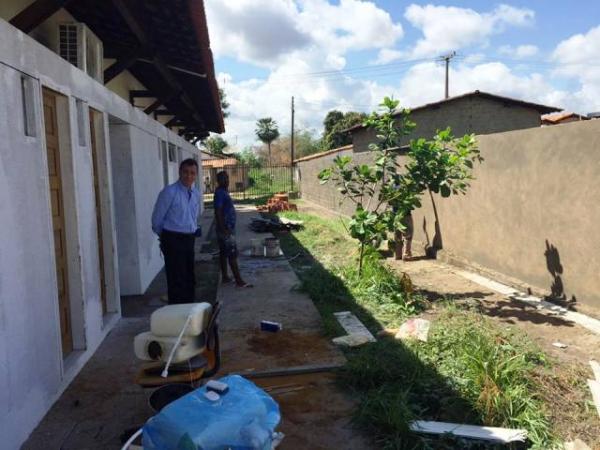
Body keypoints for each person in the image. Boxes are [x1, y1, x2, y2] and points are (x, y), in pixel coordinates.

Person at [151, 158, 201, 304]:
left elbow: (193, 217)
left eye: (192, 173)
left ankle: (189, 312)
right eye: (185, 172)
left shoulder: (196, 193)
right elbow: (156, 220)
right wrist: (166, 238)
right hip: (172, 240)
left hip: (188, 239)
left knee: (189, 279)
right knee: (176, 281)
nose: (189, 176)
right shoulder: (169, 192)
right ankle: (176, 314)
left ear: (196, 175)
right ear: (180, 172)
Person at [214, 171, 251, 288]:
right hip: (226, 229)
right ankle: (239, 281)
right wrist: (224, 228)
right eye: (223, 179)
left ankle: (225, 277)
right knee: (232, 254)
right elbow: (218, 211)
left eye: (227, 178)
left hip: (225, 228)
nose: (226, 181)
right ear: (218, 181)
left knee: (224, 253)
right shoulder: (220, 193)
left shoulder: (223, 191)